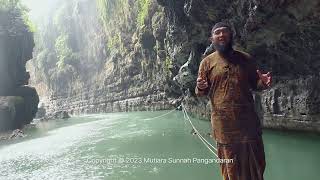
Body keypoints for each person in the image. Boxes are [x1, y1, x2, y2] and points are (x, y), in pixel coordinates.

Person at [195, 22, 272, 180]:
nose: (221, 35)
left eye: (225, 32)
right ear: (212, 39)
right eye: (217, 33)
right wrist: (200, 87)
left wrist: (262, 83)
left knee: (256, 166)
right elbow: (200, 92)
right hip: (224, 128)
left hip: (248, 124)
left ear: (231, 36)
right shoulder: (206, 63)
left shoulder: (246, 59)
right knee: (230, 169)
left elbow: (255, 84)